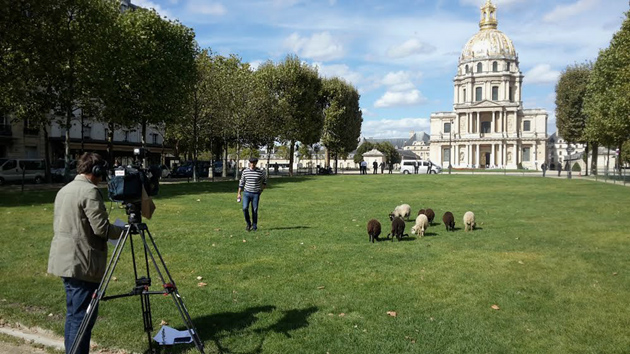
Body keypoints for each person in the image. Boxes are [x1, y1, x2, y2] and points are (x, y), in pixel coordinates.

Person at [47, 152, 124, 354]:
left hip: (65, 260)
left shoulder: (65, 189)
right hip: (82, 262)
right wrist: (124, 230)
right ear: (96, 171)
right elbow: (101, 229)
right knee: (82, 318)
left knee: (74, 315)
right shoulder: (89, 192)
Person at [237, 157, 267, 231]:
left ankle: (254, 225)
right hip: (247, 193)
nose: (252, 164)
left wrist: (261, 191)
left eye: (254, 163)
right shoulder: (245, 171)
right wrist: (239, 193)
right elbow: (241, 182)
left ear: (256, 163)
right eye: (251, 163)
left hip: (256, 193)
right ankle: (248, 223)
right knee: (245, 208)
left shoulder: (260, 172)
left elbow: (264, 182)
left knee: (254, 210)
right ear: (249, 163)